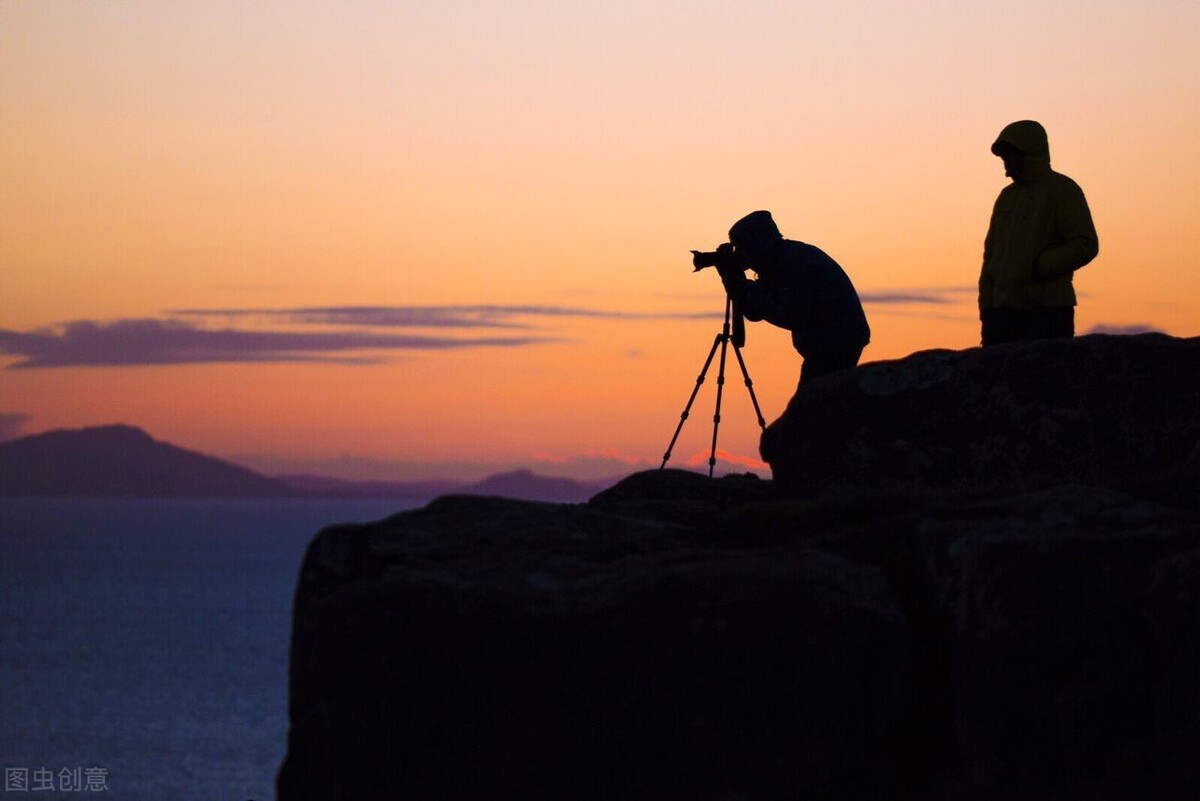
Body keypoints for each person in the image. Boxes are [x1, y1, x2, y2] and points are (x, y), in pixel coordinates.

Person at [717, 210, 870, 387]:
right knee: (820, 406)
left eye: (739, 248)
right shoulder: (780, 260)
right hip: (831, 343)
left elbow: (787, 314)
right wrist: (734, 282)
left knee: (813, 407)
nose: (738, 255)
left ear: (756, 246)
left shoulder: (793, 263)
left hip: (835, 343)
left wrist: (747, 288)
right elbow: (755, 314)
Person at [979, 120, 1099, 347]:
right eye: (1003, 155)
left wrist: (1039, 267)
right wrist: (987, 309)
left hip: (1047, 314)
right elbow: (990, 258)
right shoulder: (1006, 198)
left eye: (1010, 154)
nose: (1005, 161)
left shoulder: (1063, 190)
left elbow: (1086, 244)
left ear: (1029, 154)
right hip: (1002, 316)